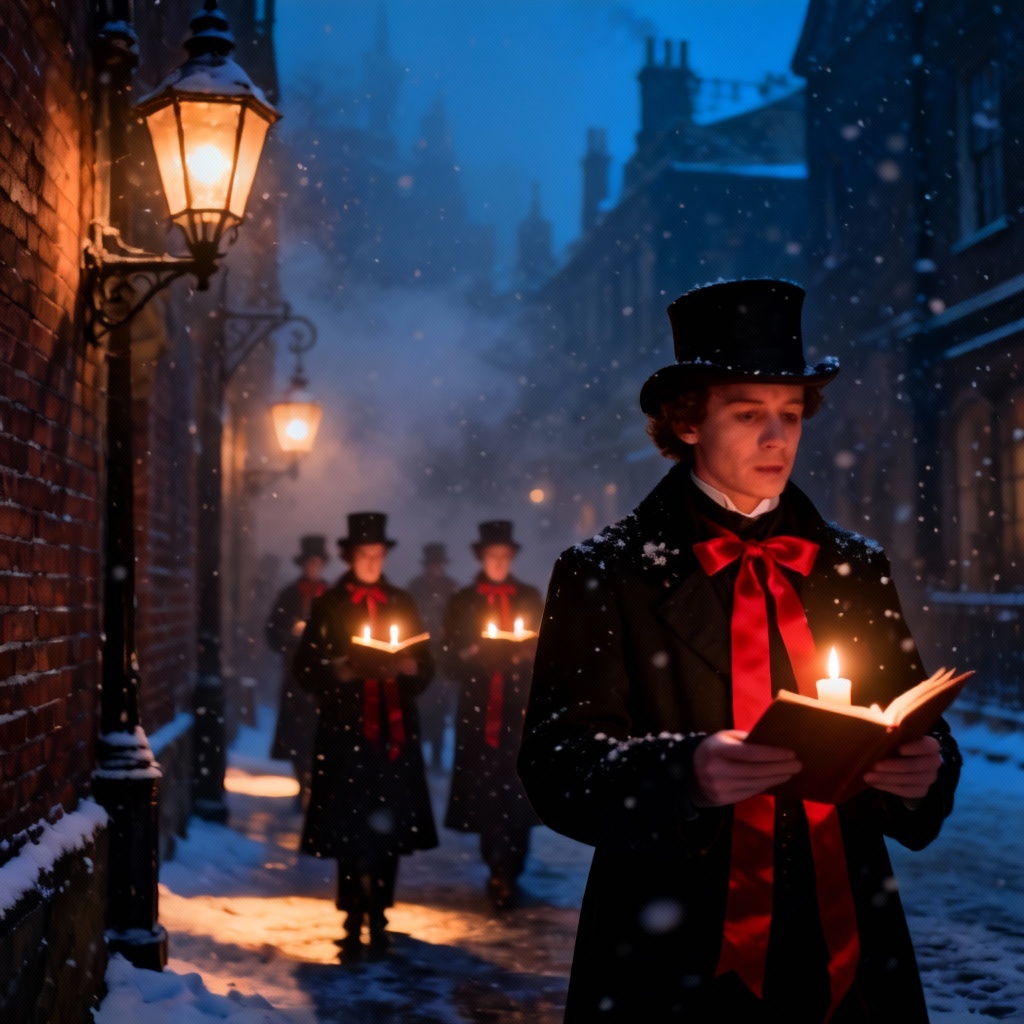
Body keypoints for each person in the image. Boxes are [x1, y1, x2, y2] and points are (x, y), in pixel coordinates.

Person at [518, 278, 962, 1023]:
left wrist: (925, 769)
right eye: (749, 413)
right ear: (688, 423)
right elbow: (557, 761)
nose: (776, 438)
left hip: (845, 927)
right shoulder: (606, 570)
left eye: (790, 415)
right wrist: (681, 771)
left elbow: (911, 712)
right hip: (672, 938)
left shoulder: (852, 564)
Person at [292, 512, 438, 960]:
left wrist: (411, 667)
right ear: (349, 556)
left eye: (378, 554)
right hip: (347, 730)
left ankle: (380, 912)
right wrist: (343, 667)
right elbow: (305, 668)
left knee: (388, 824)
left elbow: (427, 665)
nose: (372, 562)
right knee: (351, 824)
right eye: (364, 554)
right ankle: (353, 912)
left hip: (393, 732)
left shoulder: (402, 600)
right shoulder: (330, 603)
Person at [443, 520, 545, 909]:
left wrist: (523, 655)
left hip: (521, 710)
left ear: (513, 557)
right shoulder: (464, 601)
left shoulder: (530, 597)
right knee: (487, 790)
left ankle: (514, 864)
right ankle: (495, 864)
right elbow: (447, 657)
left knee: (519, 788)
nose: (499, 562)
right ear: (481, 557)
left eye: (505, 556)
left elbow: (548, 650)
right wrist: (476, 656)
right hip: (479, 710)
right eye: (492, 556)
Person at [265, 534, 329, 810]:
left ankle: (316, 783)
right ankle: (301, 784)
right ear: (304, 564)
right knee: (296, 733)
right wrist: (290, 635)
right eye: (309, 562)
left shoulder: (331, 595)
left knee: (319, 733)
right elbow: (272, 631)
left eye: (317, 562)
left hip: (324, 676)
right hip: (295, 675)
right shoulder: (289, 594)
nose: (313, 567)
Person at [406, 543, 459, 772]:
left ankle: (436, 757)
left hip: (443, 657)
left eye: (439, 565)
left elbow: (459, 620)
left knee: (440, 707)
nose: (436, 569)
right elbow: (408, 617)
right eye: (433, 565)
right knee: (420, 707)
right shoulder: (414, 588)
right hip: (421, 653)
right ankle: (417, 755)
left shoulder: (452, 588)